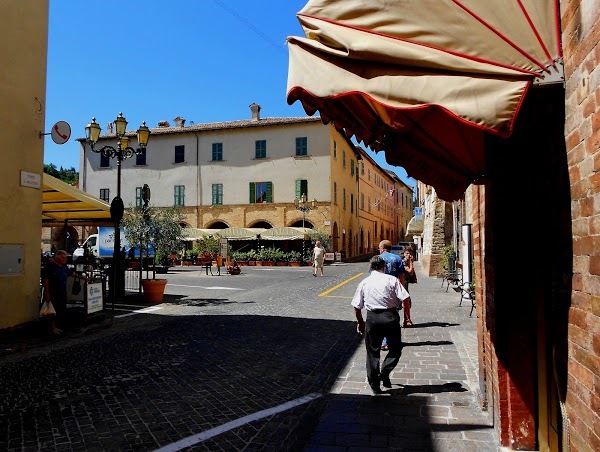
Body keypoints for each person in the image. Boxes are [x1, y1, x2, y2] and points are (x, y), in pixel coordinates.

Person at [352, 255, 411, 395]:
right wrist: (407, 317)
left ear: (370, 268)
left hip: (372, 319)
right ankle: (385, 372)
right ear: (384, 267)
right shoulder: (392, 280)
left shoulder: (364, 283)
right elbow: (405, 298)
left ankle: (375, 385)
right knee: (396, 349)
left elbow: (356, 306)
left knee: (372, 353)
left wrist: (361, 323)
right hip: (390, 317)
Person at [41, 250, 90, 336]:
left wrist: (82, 277)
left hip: (62, 291)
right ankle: (52, 327)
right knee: (52, 310)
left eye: (66, 257)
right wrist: (47, 292)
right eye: (63, 257)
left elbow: (72, 273)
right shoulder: (50, 267)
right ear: (57, 258)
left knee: (61, 309)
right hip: (53, 291)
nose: (65, 259)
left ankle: (58, 326)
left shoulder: (63, 266)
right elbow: (46, 280)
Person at [378, 240, 406, 350]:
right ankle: (390, 341)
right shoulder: (397, 258)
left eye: (379, 248)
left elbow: (372, 276)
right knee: (392, 316)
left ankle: (383, 341)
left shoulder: (377, 259)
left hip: (380, 291)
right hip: (393, 291)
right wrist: (401, 289)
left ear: (382, 248)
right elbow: (402, 276)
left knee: (380, 316)